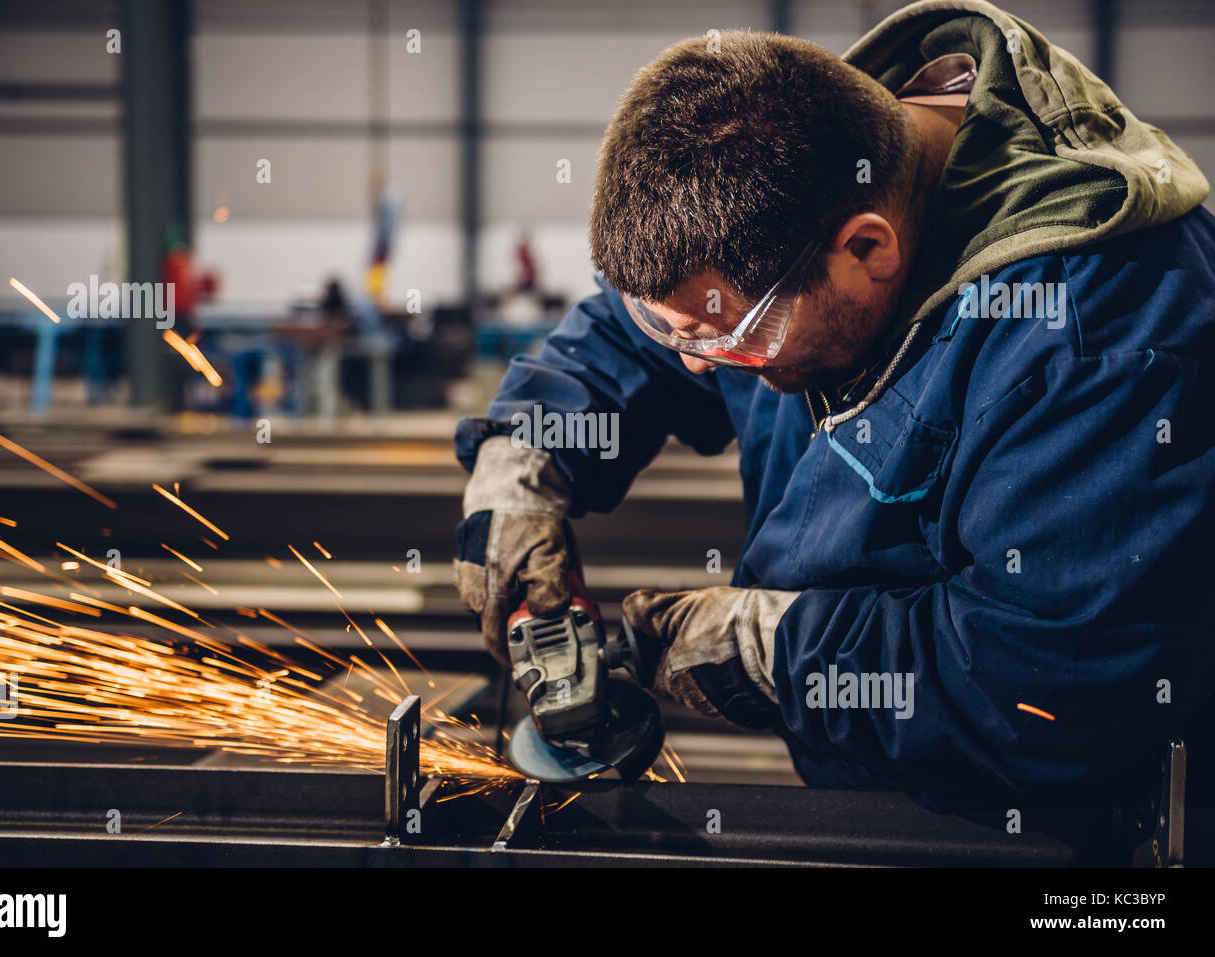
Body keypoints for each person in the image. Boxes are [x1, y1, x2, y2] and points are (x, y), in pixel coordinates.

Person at [453, 1, 1215, 812]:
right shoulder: (784, 210)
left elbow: (1045, 685)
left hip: (1055, 832)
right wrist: (521, 464)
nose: (693, 360)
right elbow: (638, 333)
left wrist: (777, 651)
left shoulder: (1100, 343)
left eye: (726, 335)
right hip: (865, 795)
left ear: (866, 248)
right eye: (671, 326)